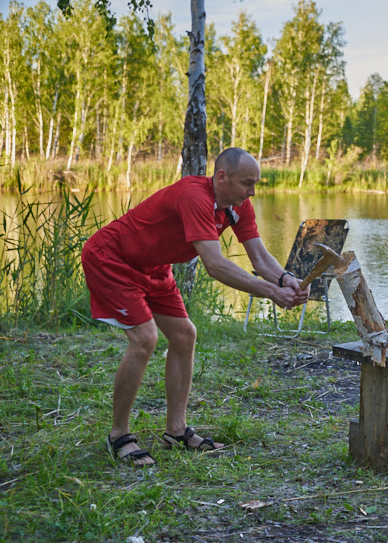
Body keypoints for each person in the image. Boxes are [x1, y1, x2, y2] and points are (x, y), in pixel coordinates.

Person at [81, 147, 308, 466]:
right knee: (145, 338)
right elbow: (215, 265)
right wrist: (271, 292)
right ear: (221, 176)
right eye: (247, 183)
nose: (252, 191)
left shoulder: (238, 206)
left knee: (185, 335)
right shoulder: (194, 196)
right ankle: (119, 435)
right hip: (113, 259)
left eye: (255, 183)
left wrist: (285, 279)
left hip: (155, 268)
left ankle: (176, 430)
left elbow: (259, 257)